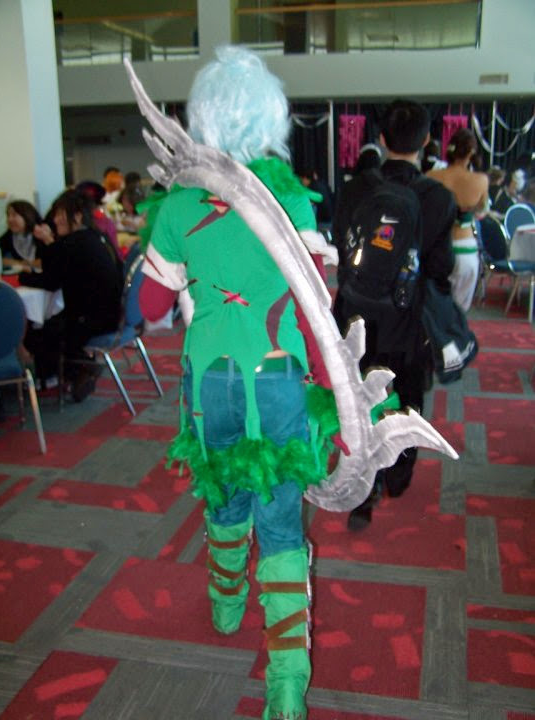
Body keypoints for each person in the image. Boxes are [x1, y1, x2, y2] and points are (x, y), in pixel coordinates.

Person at [137, 45, 337, 720]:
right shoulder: (292, 201)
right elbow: (317, 311)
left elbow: (149, 308)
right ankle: (286, 679)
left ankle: (226, 604)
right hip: (279, 381)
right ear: (272, 119)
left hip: (210, 385)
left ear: (201, 118)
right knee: (281, 519)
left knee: (221, 493)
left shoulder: (178, 204)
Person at [333, 99, 456, 531]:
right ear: (425, 141)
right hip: (407, 322)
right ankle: (396, 476)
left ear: (381, 139)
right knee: (404, 398)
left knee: (355, 402)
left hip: (353, 320)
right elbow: (441, 268)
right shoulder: (438, 197)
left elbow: (341, 248)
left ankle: (360, 490)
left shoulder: (354, 189)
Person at [18, 189, 123, 401]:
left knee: (38, 332)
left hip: (90, 321)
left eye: (60, 214)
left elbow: (50, 280)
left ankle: (66, 374)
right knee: (50, 324)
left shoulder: (73, 242)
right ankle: (78, 368)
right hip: (114, 314)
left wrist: (23, 277)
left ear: (76, 216)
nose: (55, 219)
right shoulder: (97, 236)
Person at [427, 128, 489, 312]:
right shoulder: (480, 180)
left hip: (437, 247)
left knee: (434, 308)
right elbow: (482, 210)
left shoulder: (432, 176)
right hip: (465, 248)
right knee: (460, 311)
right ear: (471, 151)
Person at [0, 200, 45, 271]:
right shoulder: (8, 237)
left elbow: (48, 261)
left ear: (27, 216)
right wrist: (20, 263)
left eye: (14, 215)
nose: (9, 219)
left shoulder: (43, 233)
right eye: (8, 215)